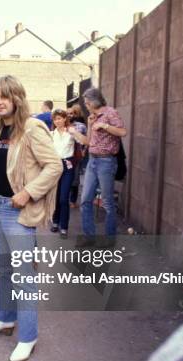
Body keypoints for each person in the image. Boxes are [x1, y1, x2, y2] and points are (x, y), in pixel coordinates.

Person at [0, 75, 62, 361]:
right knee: (4, 269)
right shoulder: (1, 128)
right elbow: (1, 164)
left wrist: (28, 192)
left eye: (5, 96)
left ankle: (28, 336)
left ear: (17, 99)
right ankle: (5, 317)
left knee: (24, 277)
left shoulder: (32, 128)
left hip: (18, 212)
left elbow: (54, 166)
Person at [77, 88, 127, 248]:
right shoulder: (92, 117)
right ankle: (89, 236)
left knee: (107, 202)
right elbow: (90, 141)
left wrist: (104, 125)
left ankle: (110, 239)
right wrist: (90, 126)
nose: (86, 106)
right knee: (85, 200)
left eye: (87, 103)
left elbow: (122, 131)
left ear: (93, 101)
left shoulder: (111, 113)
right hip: (92, 161)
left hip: (106, 162)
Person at [50, 109, 88, 239]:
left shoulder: (71, 132)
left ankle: (64, 227)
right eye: (55, 119)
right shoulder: (51, 134)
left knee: (63, 197)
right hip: (55, 168)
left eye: (60, 118)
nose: (57, 121)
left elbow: (85, 142)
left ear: (65, 119)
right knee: (55, 197)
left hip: (68, 167)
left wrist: (75, 133)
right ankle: (55, 221)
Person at [67, 104, 88, 208]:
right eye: (67, 114)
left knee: (75, 179)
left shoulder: (81, 126)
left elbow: (87, 139)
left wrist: (84, 151)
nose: (69, 115)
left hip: (76, 155)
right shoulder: (62, 125)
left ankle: (73, 201)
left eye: (71, 113)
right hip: (64, 155)